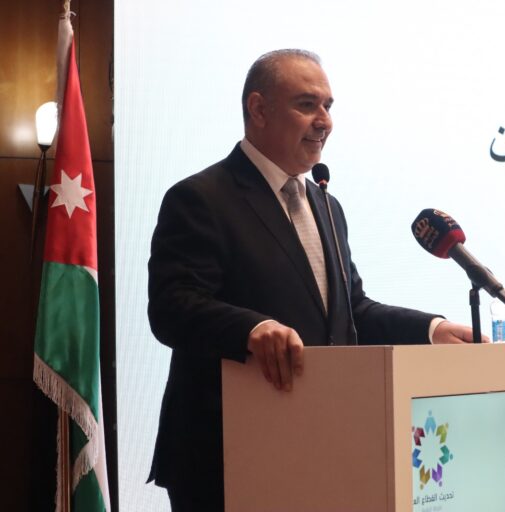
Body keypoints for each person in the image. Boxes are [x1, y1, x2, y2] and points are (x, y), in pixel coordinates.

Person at [146, 49, 481, 510]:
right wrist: (252, 329)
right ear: (258, 109)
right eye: (307, 105)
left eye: (328, 106)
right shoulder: (201, 197)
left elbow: (352, 311)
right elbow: (172, 307)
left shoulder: (325, 204)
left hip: (314, 446)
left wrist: (431, 330)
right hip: (224, 457)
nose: (324, 121)